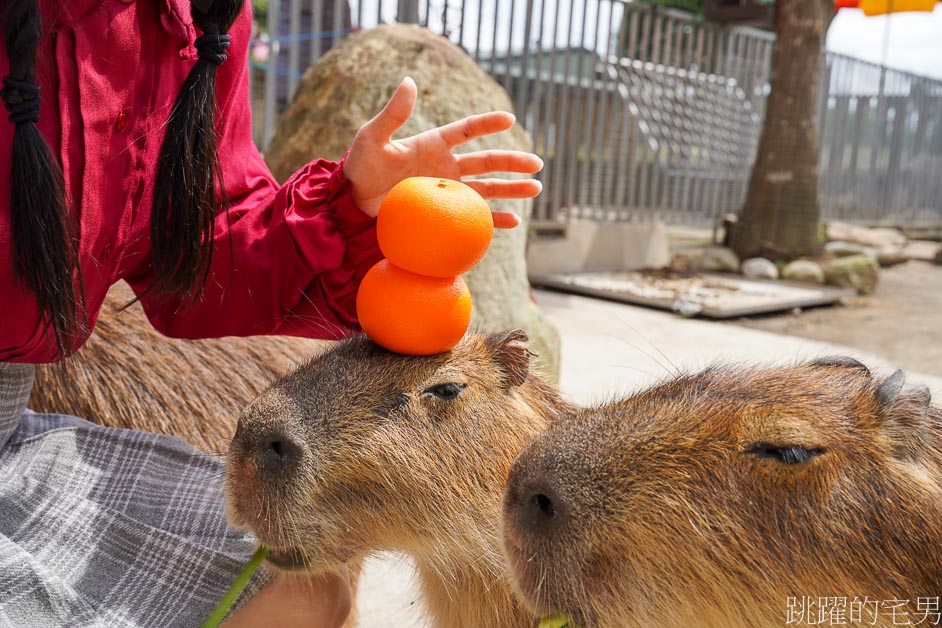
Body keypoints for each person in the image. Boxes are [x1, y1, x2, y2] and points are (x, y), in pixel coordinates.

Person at [0, 0, 543, 626]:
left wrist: (352, 211)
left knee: (307, 596)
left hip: (9, 431)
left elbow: (200, 246)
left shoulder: (198, 18)